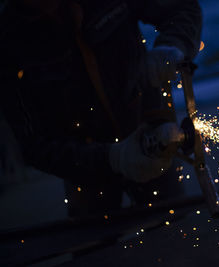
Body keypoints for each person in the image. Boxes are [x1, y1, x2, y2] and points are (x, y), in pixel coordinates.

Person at [0, 0, 202, 217]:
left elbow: (181, 7)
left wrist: (172, 46)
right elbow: (32, 145)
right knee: (94, 244)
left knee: (174, 228)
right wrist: (112, 158)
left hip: (148, 135)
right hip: (83, 164)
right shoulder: (8, 37)